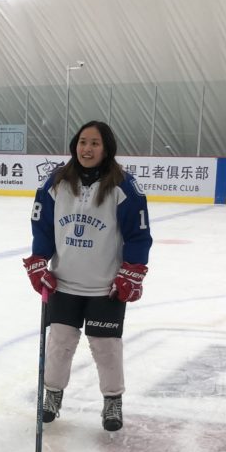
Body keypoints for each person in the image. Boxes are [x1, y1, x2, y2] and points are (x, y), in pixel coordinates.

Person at [22, 120, 153, 431]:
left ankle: (112, 403)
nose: (87, 149)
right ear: (74, 146)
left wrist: (132, 271)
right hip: (64, 283)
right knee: (60, 343)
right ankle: (52, 396)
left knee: (106, 347)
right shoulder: (55, 182)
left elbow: (139, 235)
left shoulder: (124, 187)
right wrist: (40, 261)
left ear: (106, 148)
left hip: (105, 287)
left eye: (95, 143)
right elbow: (42, 227)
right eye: (82, 142)